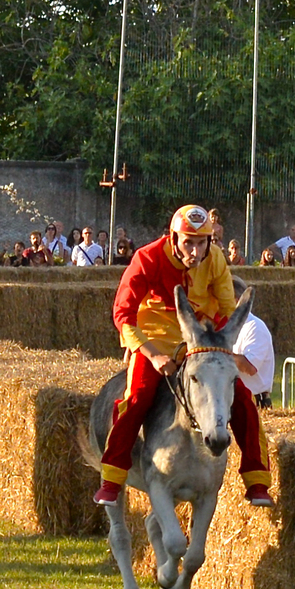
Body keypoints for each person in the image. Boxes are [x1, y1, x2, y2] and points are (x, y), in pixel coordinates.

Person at [95, 204, 273, 508]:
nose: (195, 250)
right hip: (156, 342)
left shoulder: (215, 259)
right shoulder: (146, 259)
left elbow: (228, 310)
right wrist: (151, 355)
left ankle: (257, 481)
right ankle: (112, 478)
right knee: (137, 396)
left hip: (201, 344)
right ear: (173, 238)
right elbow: (123, 315)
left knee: (242, 397)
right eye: (188, 242)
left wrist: (219, 348)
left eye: (201, 242)